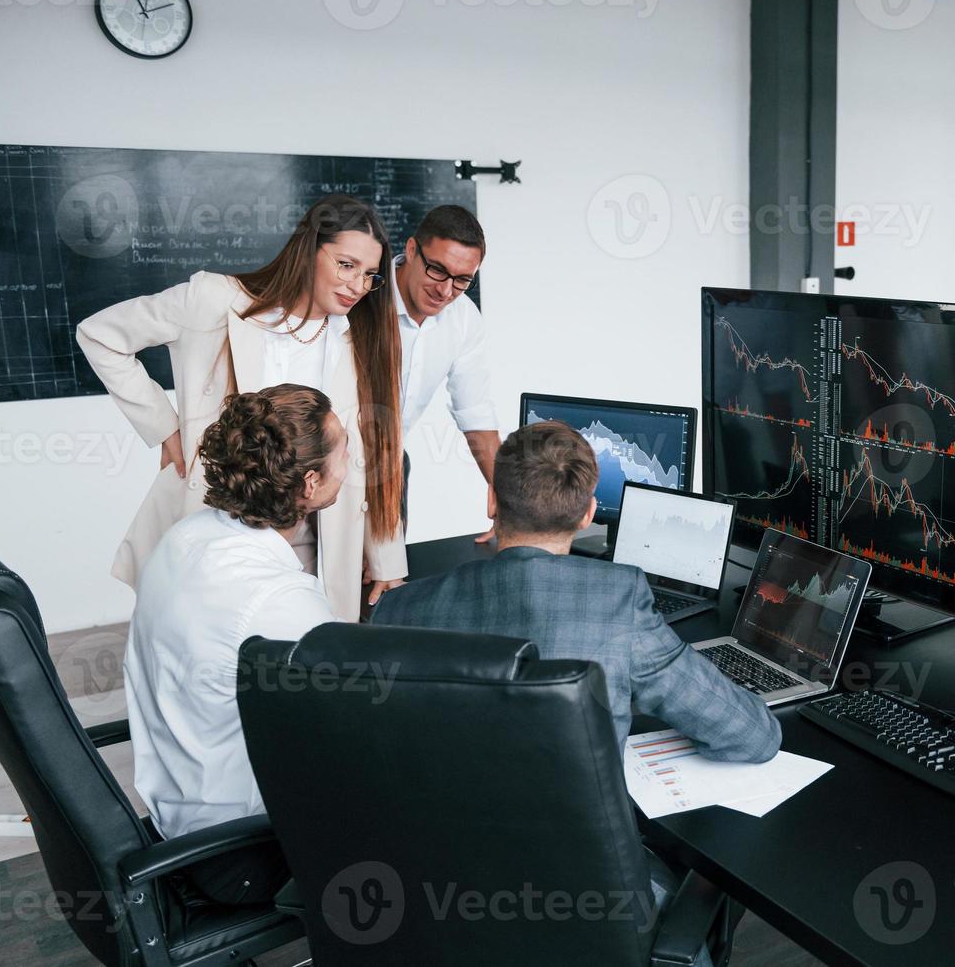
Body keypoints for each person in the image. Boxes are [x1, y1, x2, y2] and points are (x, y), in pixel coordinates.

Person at [77, 194, 406, 620]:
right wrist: (166, 428)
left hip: (311, 533)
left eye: (370, 276)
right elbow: (100, 335)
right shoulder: (214, 299)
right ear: (308, 249)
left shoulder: (357, 337)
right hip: (213, 522)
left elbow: (372, 452)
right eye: (346, 265)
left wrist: (386, 558)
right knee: (207, 644)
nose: (357, 287)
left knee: (294, 651)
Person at [372, 420, 781, 762]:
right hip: (578, 855)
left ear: (491, 500)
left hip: (437, 851)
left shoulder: (398, 608)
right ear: (587, 515)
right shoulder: (620, 601)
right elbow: (752, 737)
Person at [125, 385, 345, 904]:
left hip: (175, 816)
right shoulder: (278, 598)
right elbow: (345, 726)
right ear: (309, 484)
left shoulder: (184, 538)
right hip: (239, 851)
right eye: (344, 452)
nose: (350, 463)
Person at [391, 205, 499, 540]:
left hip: (391, 466)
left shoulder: (464, 318)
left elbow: (475, 413)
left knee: (385, 584)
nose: (445, 290)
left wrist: (509, 502)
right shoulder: (358, 296)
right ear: (411, 250)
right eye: (437, 270)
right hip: (323, 465)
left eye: (463, 279)